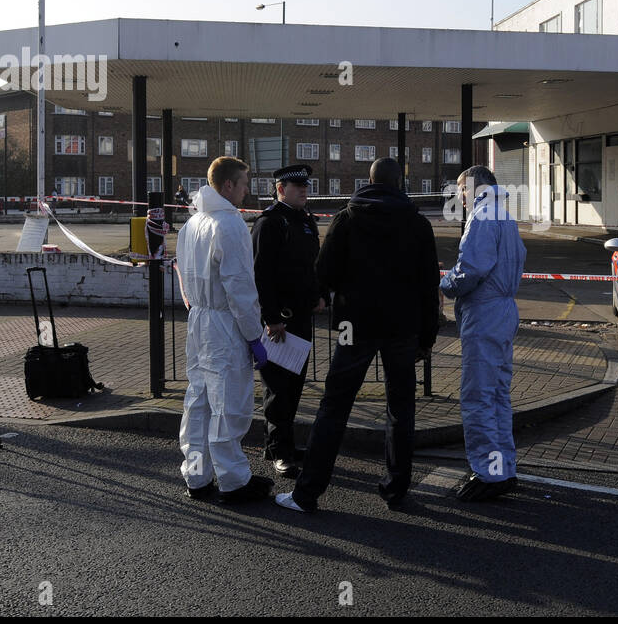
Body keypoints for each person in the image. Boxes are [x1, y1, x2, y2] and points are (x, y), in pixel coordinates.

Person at [276, 157, 439, 513]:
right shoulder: (417, 224)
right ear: (400, 182)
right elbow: (430, 286)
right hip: (402, 329)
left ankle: (307, 493)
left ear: (369, 180)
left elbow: (324, 272)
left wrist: (317, 297)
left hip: (354, 327)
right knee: (401, 409)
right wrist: (427, 338)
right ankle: (397, 490)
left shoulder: (348, 219)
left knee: (334, 406)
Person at [175, 156, 274, 504]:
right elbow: (240, 288)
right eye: (244, 184)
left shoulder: (192, 224)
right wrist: (253, 336)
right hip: (223, 322)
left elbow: (184, 276)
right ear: (229, 185)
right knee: (228, 402)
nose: (247, 191)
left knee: (199, 400)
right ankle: (233, 480)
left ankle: (197, 474)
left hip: (199, 320)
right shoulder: (229, 225)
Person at [439, 166, 527, 501]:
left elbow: (472, 268)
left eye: (461, 189)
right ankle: (502, 467)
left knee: (478, 396)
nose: (459, 196)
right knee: (497, 394)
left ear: (474, 187)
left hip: (484, 311)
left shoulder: (482, 216)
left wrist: (445, 284)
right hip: (504, 310)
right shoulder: (504, 214)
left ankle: (490, 474)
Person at [252, 164, 327, 478]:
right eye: (298, 188)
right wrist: (270, 317)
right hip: (279, 322)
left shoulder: (306, 220)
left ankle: (281, 444)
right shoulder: (269, 223)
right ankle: (280, 452)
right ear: (281, 189)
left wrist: (320, 296)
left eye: (307, 188)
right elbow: (261, 274)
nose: (304, 192)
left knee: (294, 385)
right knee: (279, 387)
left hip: (301, 318)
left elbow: (312, 265)